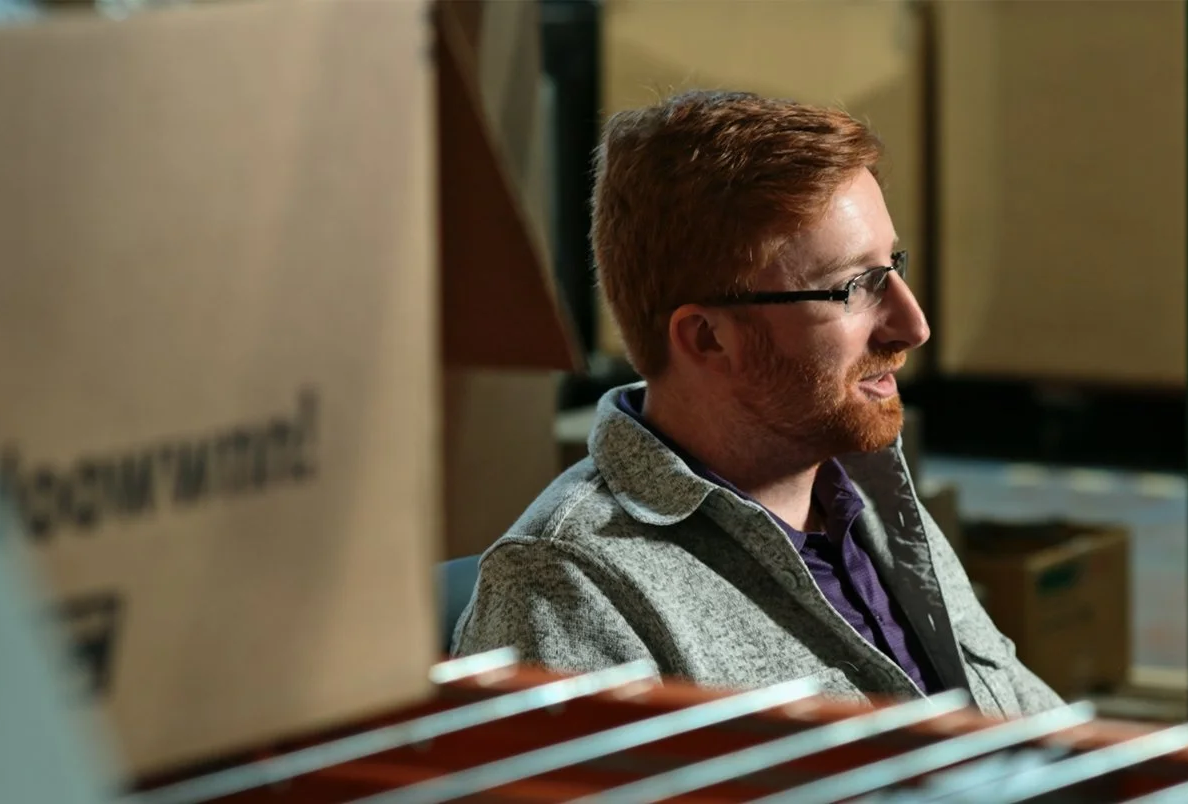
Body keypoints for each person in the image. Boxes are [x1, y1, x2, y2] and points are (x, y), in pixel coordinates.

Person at [451, 90, 1062, 717]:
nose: (913, 325)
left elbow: (1040, 733)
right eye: (856, 286)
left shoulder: (869, 501)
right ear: (708, 339)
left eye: (893, 265)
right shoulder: (568, 592)